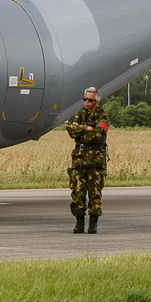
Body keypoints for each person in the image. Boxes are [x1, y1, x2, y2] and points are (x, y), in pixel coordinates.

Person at [65, 86, 108, 234]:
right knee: (77, 193)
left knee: (95, 194)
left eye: (90, 100)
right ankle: (79, 222)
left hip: (95, 163)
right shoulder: (78, 115)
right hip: (79, 162)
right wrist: (86, 128)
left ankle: (93, 223)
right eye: (85, 99)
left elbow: (99, 135)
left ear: (96, 101)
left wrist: (81, 131)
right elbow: (70, 129)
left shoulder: (102, 117)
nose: (87, 102)